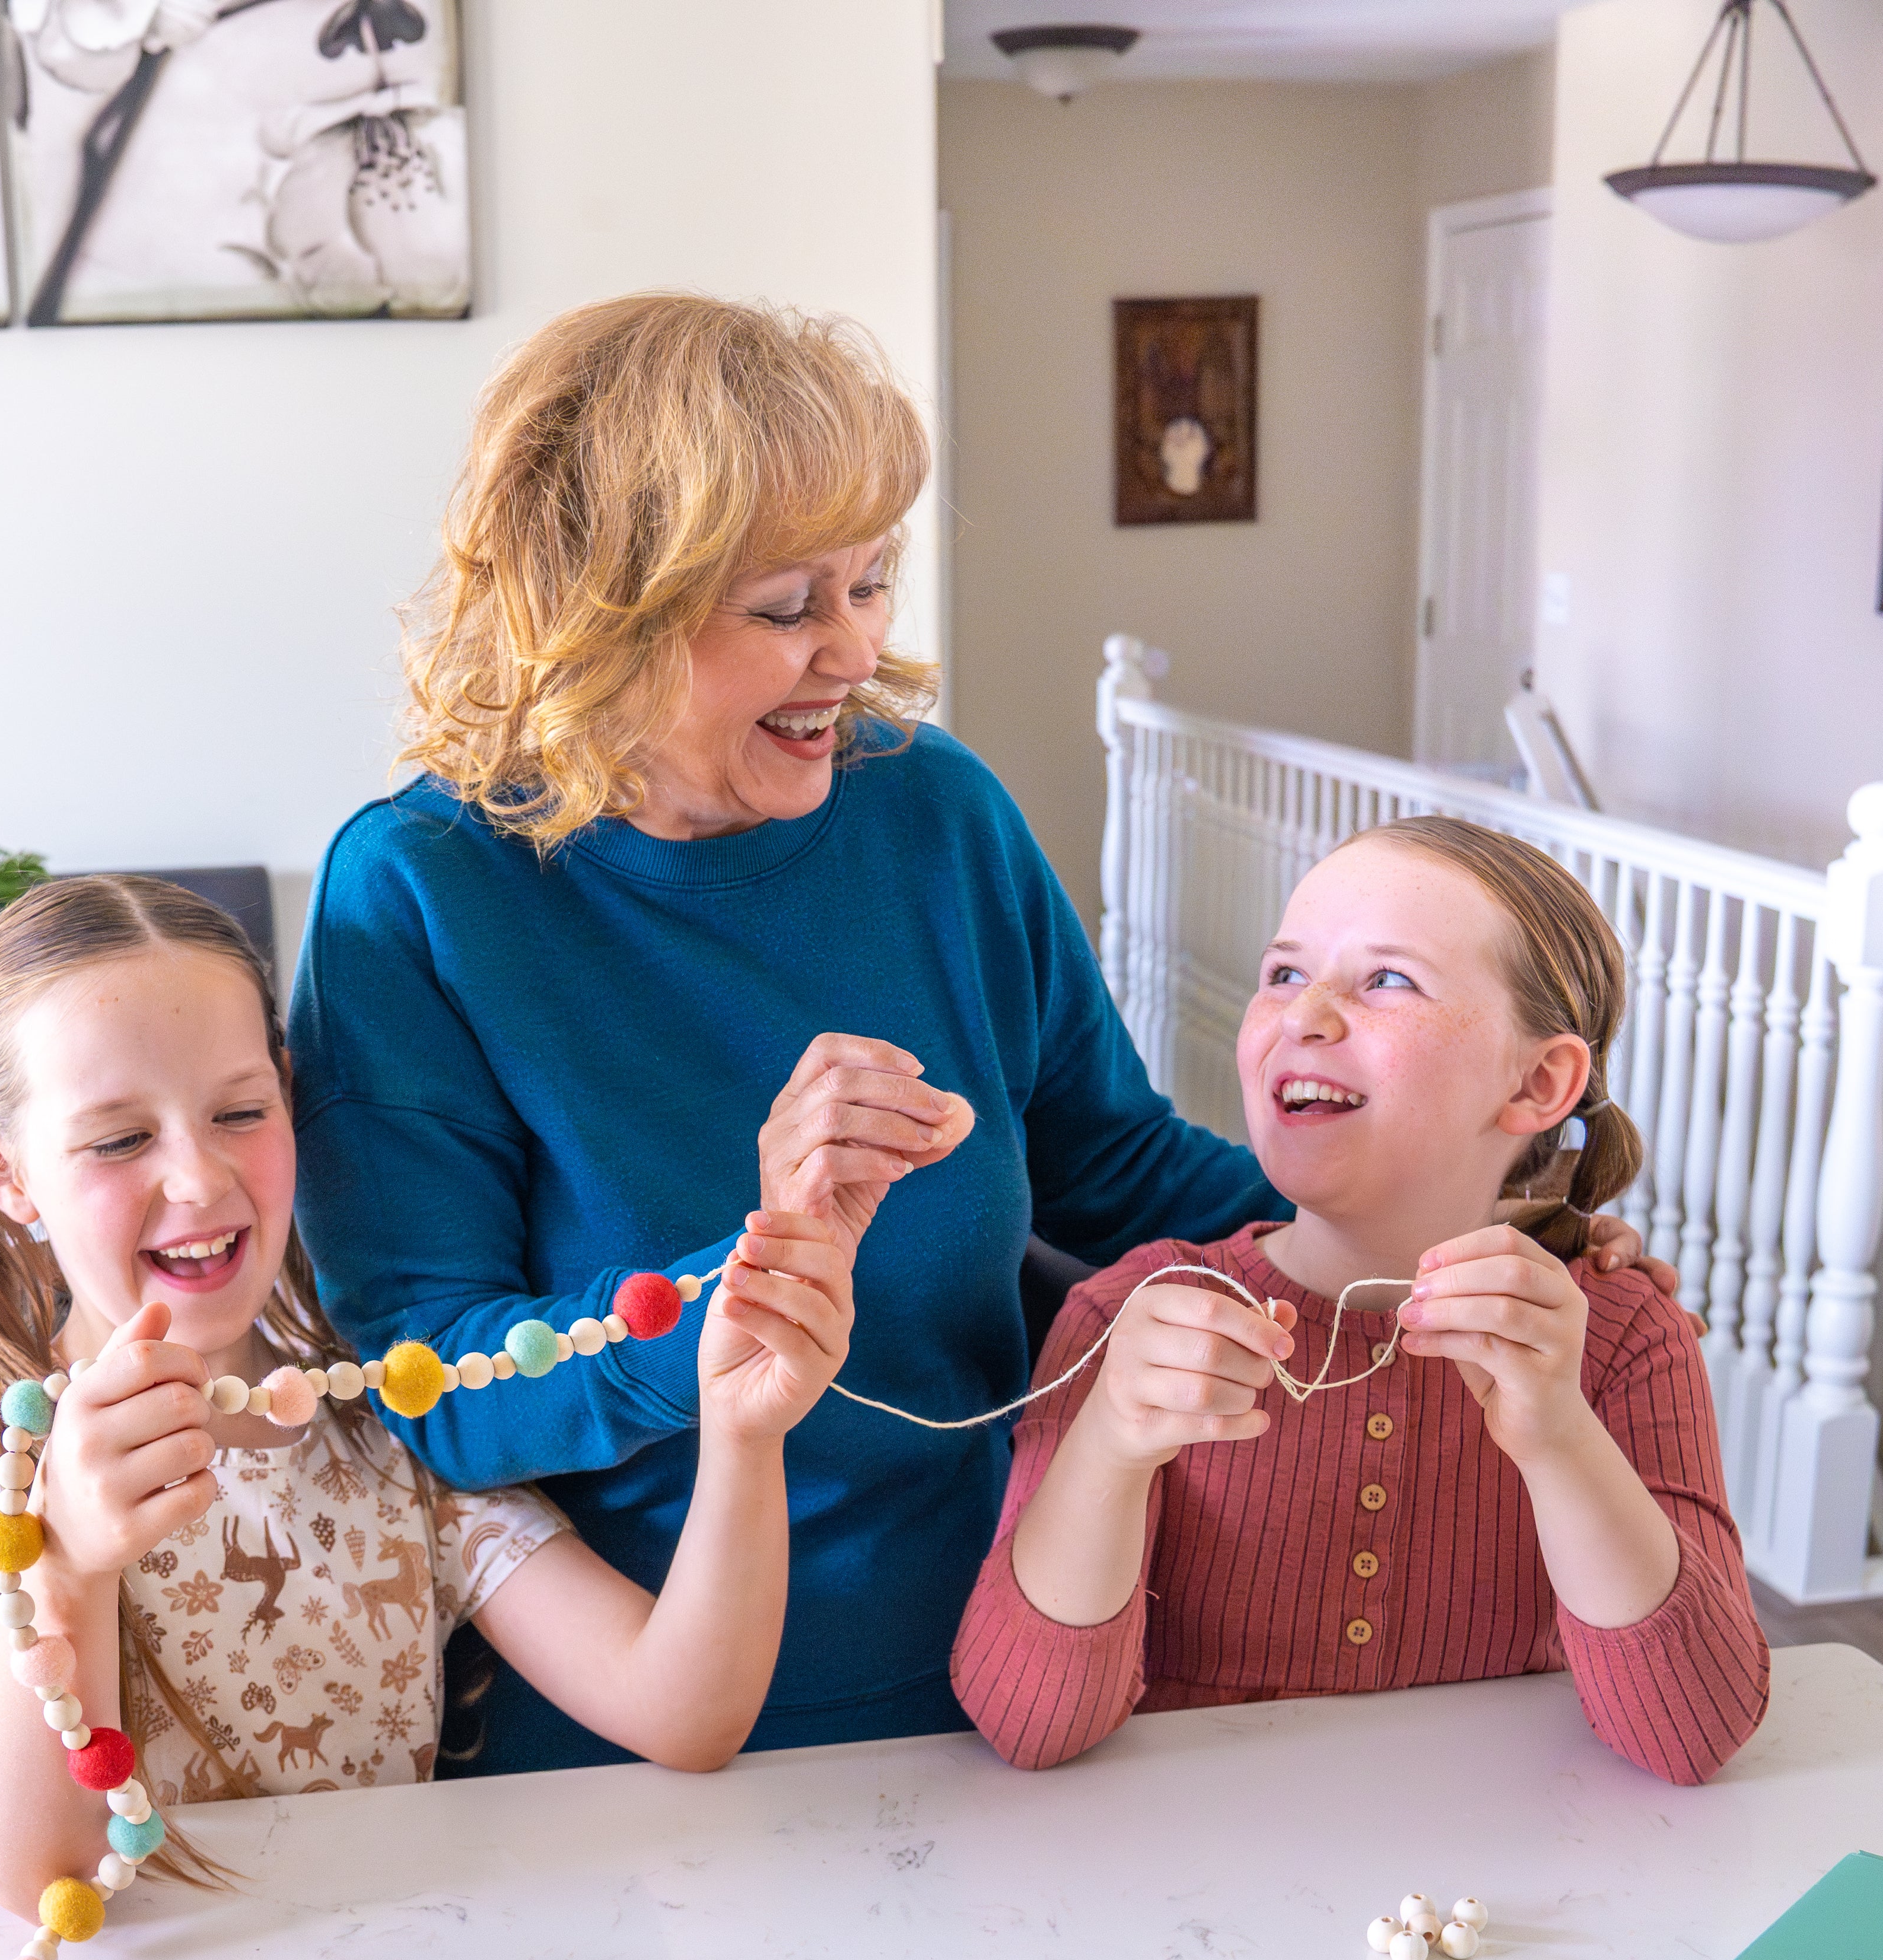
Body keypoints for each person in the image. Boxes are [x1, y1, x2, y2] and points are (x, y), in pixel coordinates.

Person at [291, 294, 1668, 1776]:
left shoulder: (933, 812)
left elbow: (1111, 1161)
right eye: (784, 607)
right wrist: (743, 1286)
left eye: (870, 584)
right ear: (600, 606)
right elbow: (427, 1384)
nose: (852, 653)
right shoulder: (421, 891)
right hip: (632, 1722)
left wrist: (1470, 1231)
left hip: (1017, 1682)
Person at [0, 876, 858, 1913]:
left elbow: (682, 1708)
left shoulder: (384, 1416)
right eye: (119, 1140)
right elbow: (45, 1881)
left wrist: (745, 1438)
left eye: (240, 1112)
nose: (198, 1181)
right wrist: (70, 1558)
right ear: (3, 1169)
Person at [951, 817, 1767, 1787]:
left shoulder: (1624, 1337)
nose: (1307, 1014)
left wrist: (1559, 1435)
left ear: (1540, 1081)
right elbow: (1029, 1726)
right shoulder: (1132, 1321)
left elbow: (1694, 1733)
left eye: (1387, 980)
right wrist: (1110, 1444)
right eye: (1285, 975)